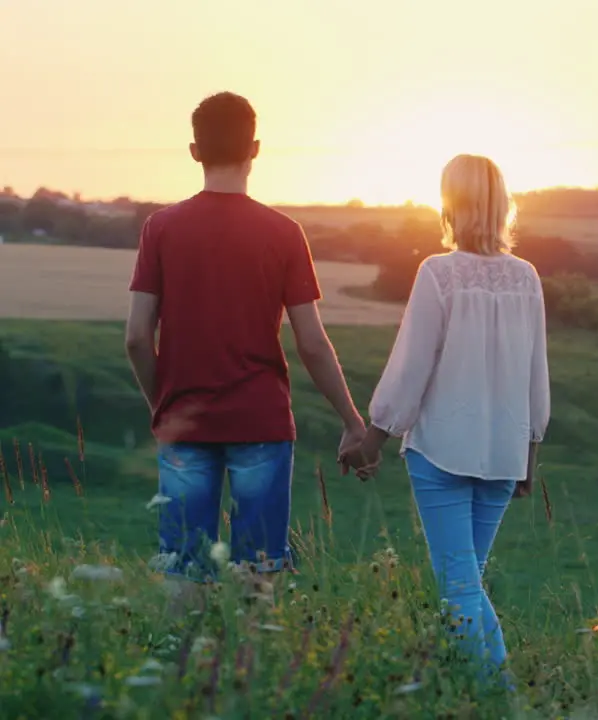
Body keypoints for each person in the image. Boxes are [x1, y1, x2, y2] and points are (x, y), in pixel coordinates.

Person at [125, 92, 367, 593]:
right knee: (258, 572)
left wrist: (164, 408)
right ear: (255, 148)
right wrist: (352, 421)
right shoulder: (284, 233)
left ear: (194, 151)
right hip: (261, 421)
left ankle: (183, 664)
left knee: (183, 570)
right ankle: (247, 668)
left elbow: (135, 337)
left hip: (184, 420)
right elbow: (313, 343)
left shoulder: (161, 228)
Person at [342, 154, 551, 684]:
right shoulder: (526, 278)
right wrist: (529, 454)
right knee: (467, 582)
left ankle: (497, 697)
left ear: (449, 204)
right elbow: (535, 374)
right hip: (505, 453)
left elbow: (413, 364)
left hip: (441, 451)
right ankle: (459, 685)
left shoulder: (439, 272)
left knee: (459, 587)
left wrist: (374, 437)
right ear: (502, 204)